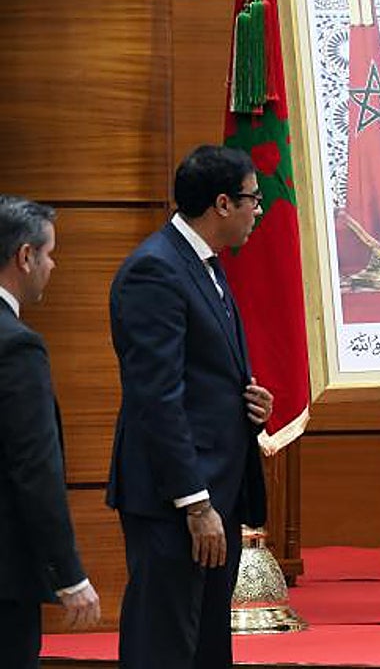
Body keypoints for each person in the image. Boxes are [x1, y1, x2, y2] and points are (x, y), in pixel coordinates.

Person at [107, 145, 274, 668]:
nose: (259, 210)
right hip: (174, 501)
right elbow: (155, 397)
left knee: (203, 647)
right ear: (222, 203)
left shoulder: (205, 265)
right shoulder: (154, 271)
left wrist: (247, 402)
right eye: (253, 198)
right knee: (164, 644)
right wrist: (194, 504)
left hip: (212, 492)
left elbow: (199, 375)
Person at [0, 196, 101, 667]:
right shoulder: (17, 346)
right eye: (50, 253)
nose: (53, 264)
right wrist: (69, 574)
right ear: (25, 256)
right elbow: (34, 467)